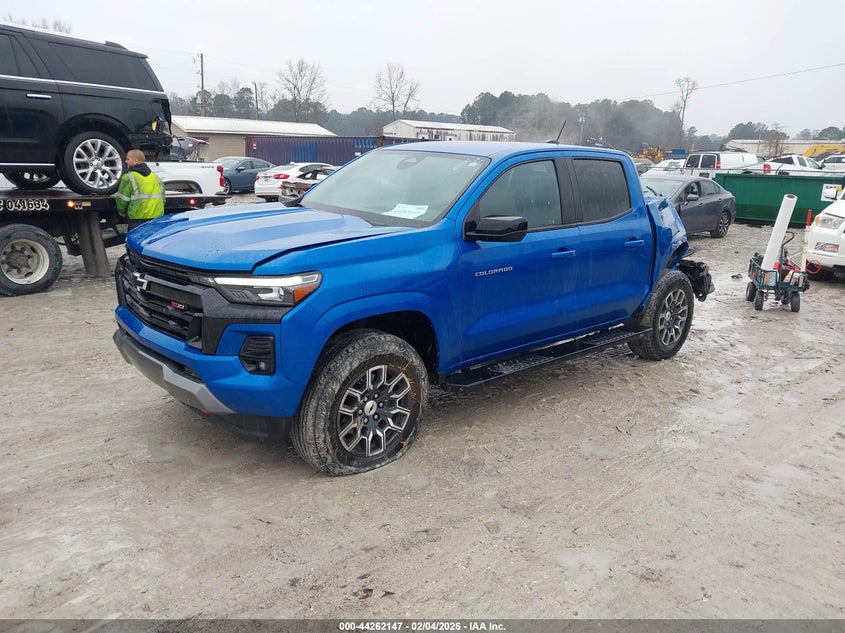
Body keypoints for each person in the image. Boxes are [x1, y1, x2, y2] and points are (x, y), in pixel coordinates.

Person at [116, 149, 165, 230]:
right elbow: (163, 199)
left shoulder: (129, 177)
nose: (125, 161)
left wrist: (122, 214)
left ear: (135, 161)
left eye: (128, 159)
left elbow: (122, 200)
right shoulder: (155, 178)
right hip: (156, 219)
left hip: (137, 220)